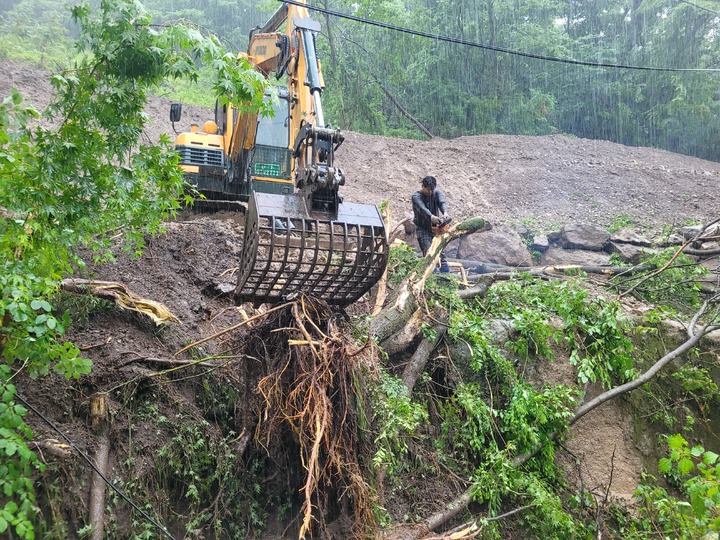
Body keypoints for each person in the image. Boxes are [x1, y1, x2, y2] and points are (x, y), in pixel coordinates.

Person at [411, 175, 450, 272]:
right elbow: (422, 208)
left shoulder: (437, 193)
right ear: (422, 186)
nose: (430, 192)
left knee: (441, 255)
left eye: (432, 189)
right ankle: (432, 279)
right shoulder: (416, 196)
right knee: (429, 255)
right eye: (428, 189)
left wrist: (445, 212)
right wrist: (431, 217)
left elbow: (442, 202)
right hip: (423, 229)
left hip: (436, 229)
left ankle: (446, 277)